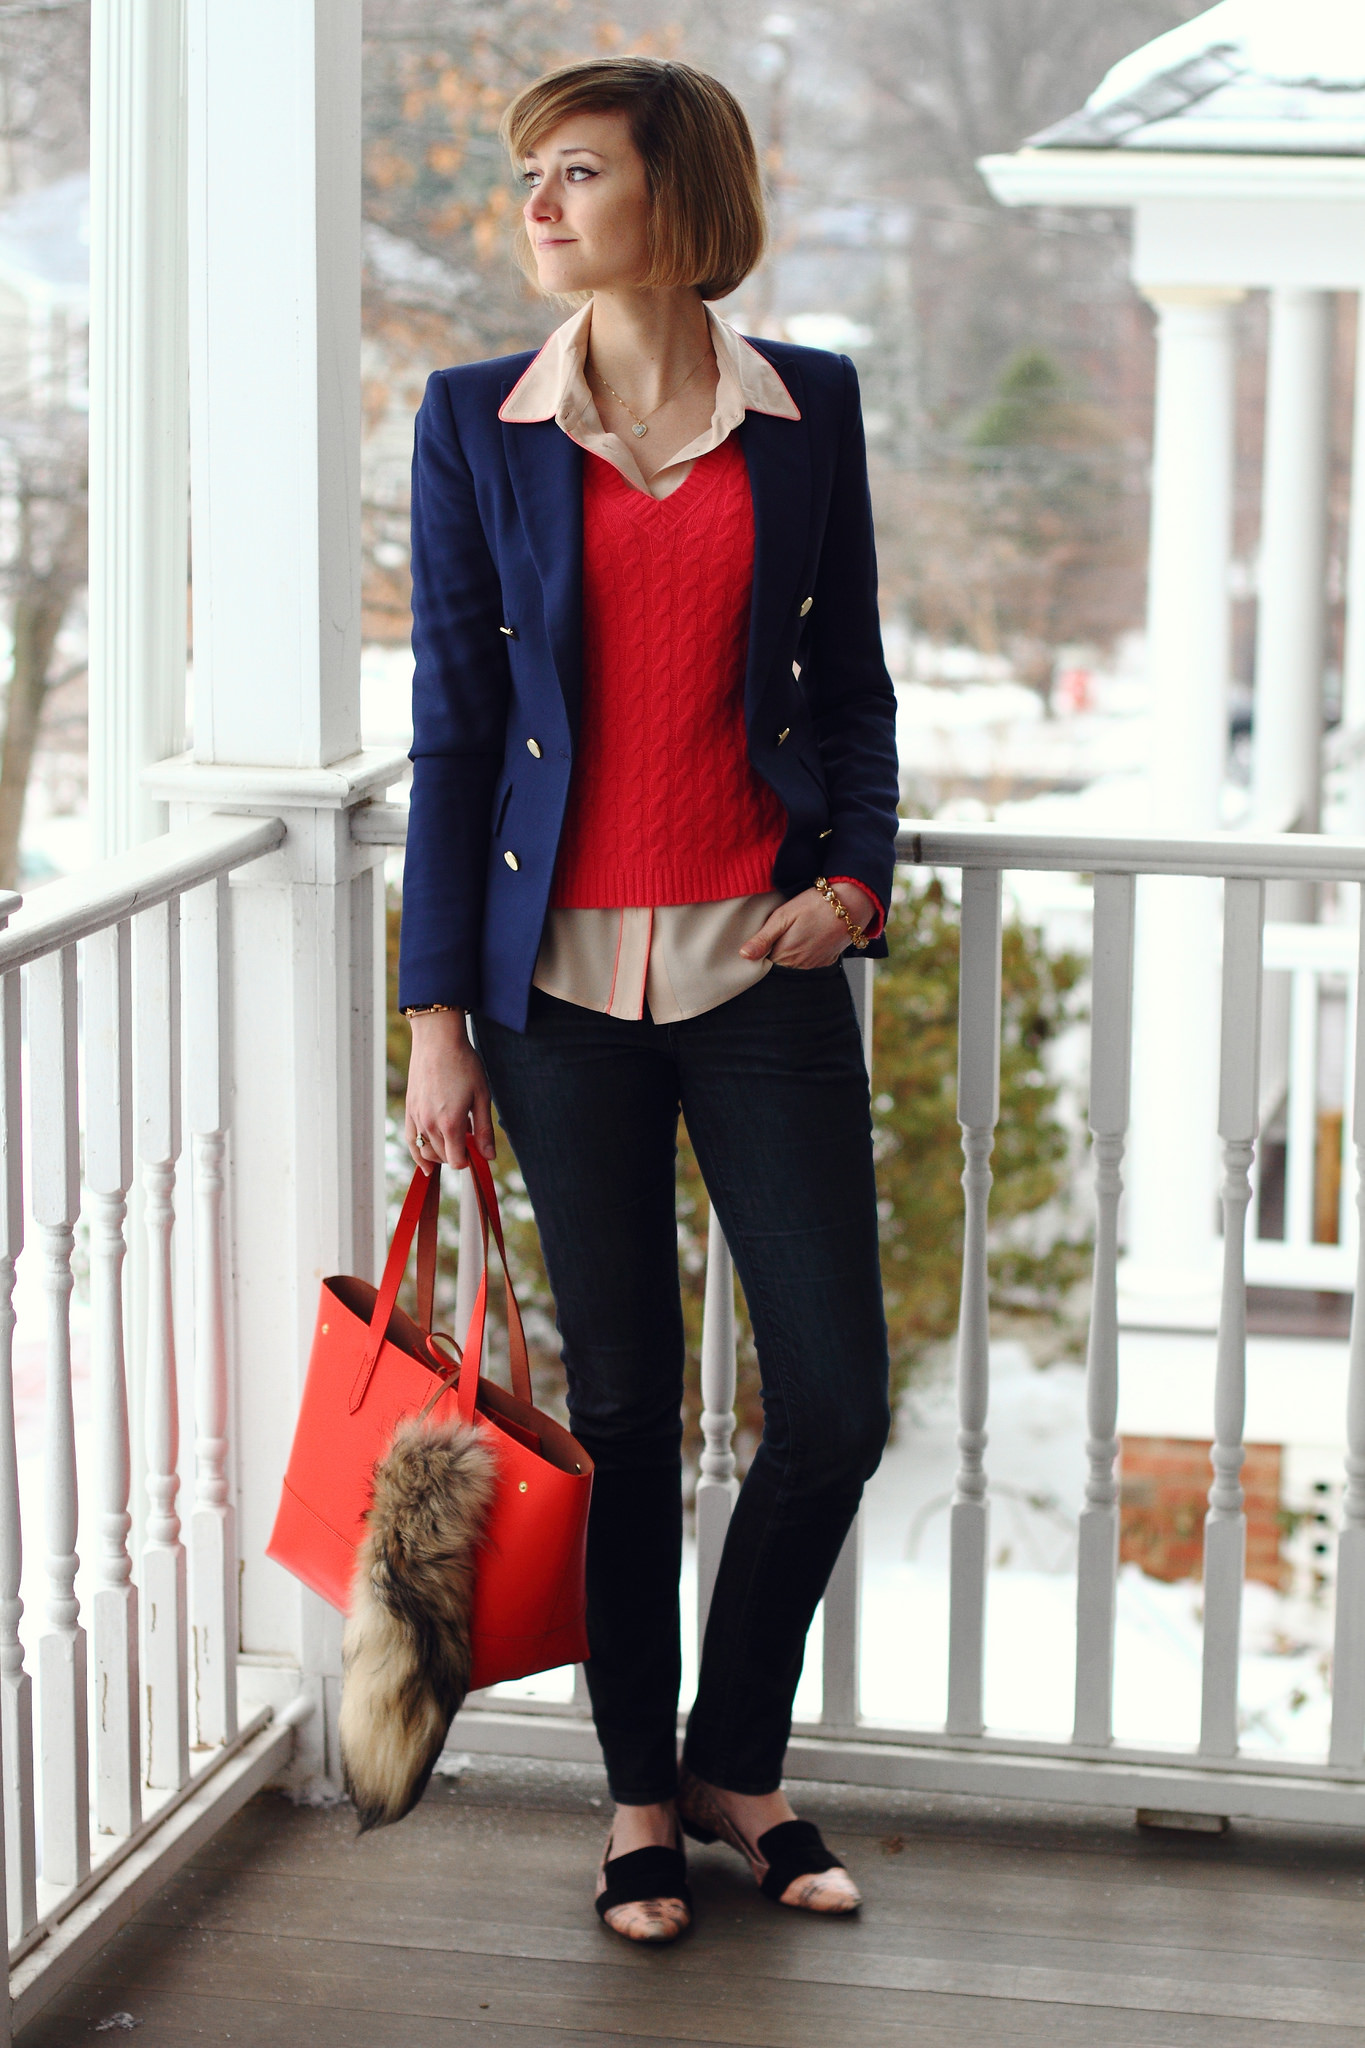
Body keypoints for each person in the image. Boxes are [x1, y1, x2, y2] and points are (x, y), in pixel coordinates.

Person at [399, 54, 898, 1944]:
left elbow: (848, 690)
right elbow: (454, 732)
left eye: (575, 172)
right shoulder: (472, 421)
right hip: (548, 998)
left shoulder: (807, 411)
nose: (535, 204)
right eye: (527, 174)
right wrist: (437, 1016)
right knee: (617, 1413)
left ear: (673, 201)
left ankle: (734, 1760)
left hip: (755, 974)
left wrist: (849, 882)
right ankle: (634, 1799)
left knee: (831, 1402)